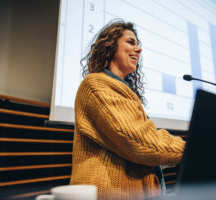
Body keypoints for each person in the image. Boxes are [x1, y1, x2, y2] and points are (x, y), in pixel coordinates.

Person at [70, 19, 186, 200]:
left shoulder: (122, 90)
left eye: (138, 44)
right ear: (110, 46)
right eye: (131, 42)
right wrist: (188, 149)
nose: (139, 49)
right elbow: (137, 141)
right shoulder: (95, 85)